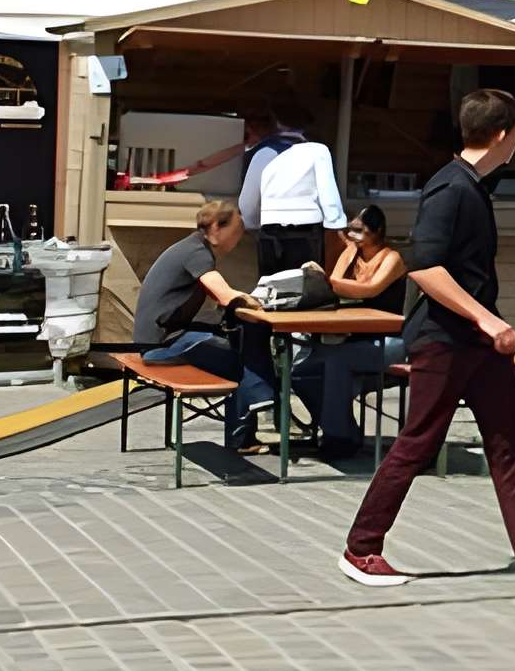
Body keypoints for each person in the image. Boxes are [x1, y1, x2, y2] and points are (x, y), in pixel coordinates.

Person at [340, 90, 515, 589]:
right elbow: (425, 269)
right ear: (505, 136)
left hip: (477, 343)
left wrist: (486, 326)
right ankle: (361, 549)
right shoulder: (451, 189)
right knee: (418, 442)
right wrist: (488, 320)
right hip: (445, 338)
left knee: (508, 443)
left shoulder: (474, 185)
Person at [131, 196, 280, 451]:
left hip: (162, 338)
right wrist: (262, 302)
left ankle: (256, 409)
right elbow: (223, 294)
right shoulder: (197, 253)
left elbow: (219, 296)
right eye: (237, 229)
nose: (240, 236)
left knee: (240, 343)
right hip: (160, 345)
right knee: (238, 360)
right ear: (216, 228)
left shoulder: (192, 248)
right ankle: (255, 413)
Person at [306, 204, 410, 464]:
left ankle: (337, 438)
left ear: (377, 231)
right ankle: (343, 429)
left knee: (336, 361)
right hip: (354, 336)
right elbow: (335, 287)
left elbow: (370, 289)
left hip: (389, 341)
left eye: (359, 230)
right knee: (301, 369)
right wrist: (329, 279)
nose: (352, 235)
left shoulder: (391, 258)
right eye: (350, 230)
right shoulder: (350, 253)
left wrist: (327, 280)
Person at [248, 102, 345, 278]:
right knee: (304, 288)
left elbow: (247, 201)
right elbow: (328, 194)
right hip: (306, 229)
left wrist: (254, 224)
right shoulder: (318, 150)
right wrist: (336, 225)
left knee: (269, 289)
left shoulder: (263, 152)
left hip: (269, 227)